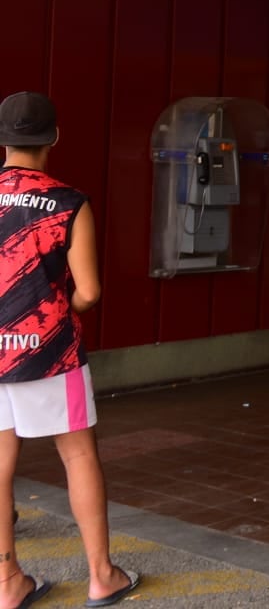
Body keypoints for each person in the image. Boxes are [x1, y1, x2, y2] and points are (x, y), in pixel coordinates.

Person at [0, 92, 139, 608]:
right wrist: (63, 305)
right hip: (50, 350)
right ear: (53, 138)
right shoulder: (67, 202)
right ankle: (102, 576)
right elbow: (90, 291)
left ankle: (7, 581)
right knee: (78, 455)